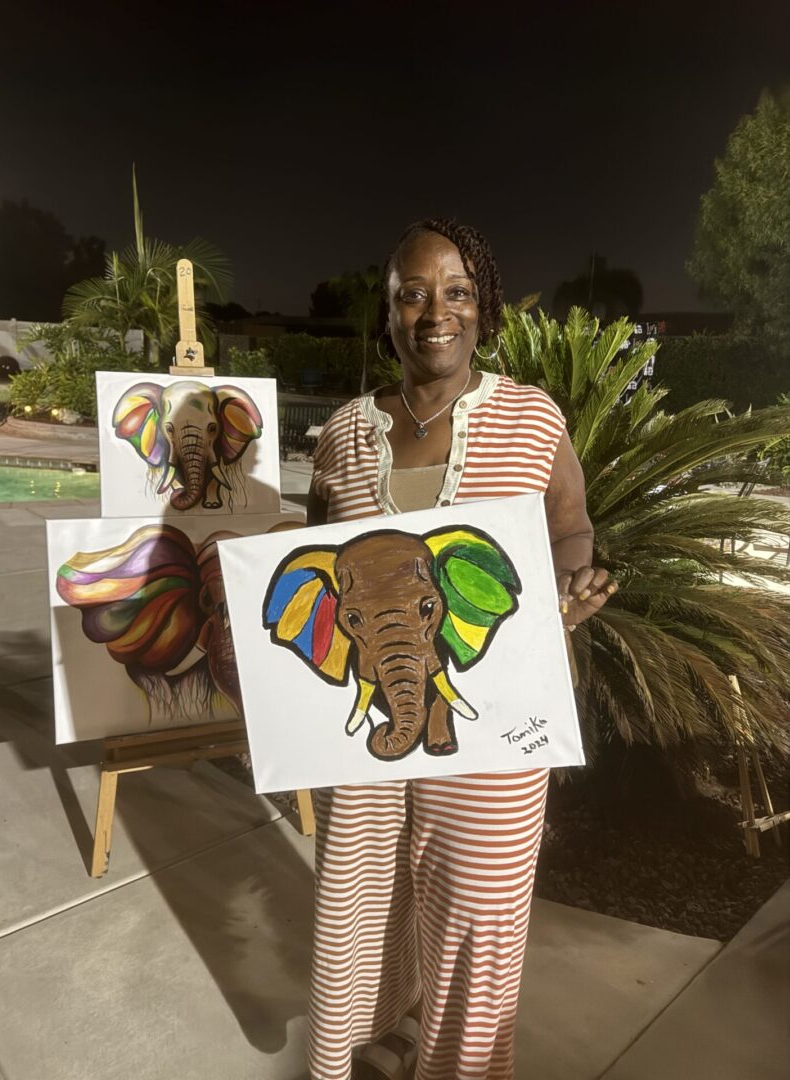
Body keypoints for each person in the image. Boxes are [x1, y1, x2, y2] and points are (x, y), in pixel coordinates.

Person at [305, 219, 616, 1080]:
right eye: (411, 293)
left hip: (496, 724)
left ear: (485, 309)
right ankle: (368, 1039)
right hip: (362, 722)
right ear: (388, 313)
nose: (432, 311)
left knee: (478, 915)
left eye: (456, 292)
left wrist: (569, 594)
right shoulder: (339, 433)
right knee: (364, 899)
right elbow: (312, 562)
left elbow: (571, 531)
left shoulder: (530, 418)